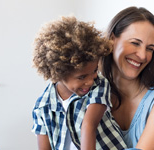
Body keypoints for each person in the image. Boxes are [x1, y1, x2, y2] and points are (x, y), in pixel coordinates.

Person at [31, 16, 126, 150]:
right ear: (59, 73)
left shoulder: (99, 85)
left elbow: (88, 126)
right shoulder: (42, 106)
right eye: (81, 77)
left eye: (94, 70)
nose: (90, 81)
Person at [100, 6, 154, 149]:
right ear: (112, 39)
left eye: (149, 48)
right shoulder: (93, 90)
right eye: (135, 43)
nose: (143, 56)